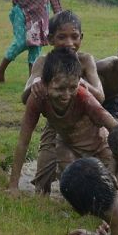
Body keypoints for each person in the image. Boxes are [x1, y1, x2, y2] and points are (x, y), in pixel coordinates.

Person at [8, 48, 118, 196]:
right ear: (44, 83)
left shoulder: (82, 95)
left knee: (108, 185)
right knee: (62, 186)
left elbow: (114, 127)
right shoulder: (37, 98)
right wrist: (13, 186)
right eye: (59, 89)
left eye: (72, 87)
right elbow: (23, 141)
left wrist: (117, 161)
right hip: (68, 145)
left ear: (79, 82)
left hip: (98, 144)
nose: (66, 95)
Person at [21, 10, 105, 194]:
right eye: (62, 37)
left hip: (85, 121)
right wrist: (36, 83)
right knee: (45, 167)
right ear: (50, 39)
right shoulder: (43, 62)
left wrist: (83, 84)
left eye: (74, 37)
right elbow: (25, 97)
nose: (69, 43)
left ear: (81, 37)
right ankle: (43, 196)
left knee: (101, 160)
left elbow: (100, 96)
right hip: (56, 121)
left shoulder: (85, 60)